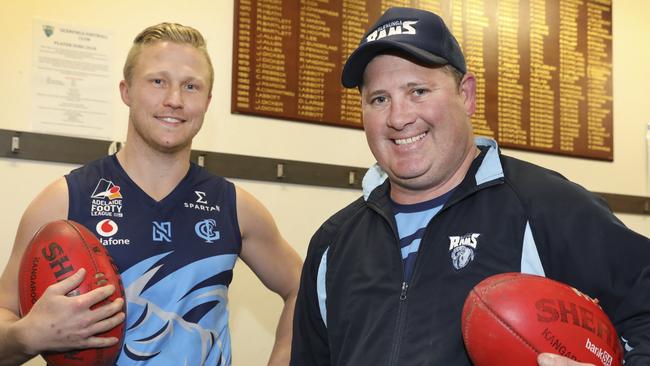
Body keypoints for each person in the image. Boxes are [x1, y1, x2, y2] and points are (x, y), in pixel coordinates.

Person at [291, 7, 650, 366]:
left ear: (466, 95)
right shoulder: (333, 243)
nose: (398, 118)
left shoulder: (545, 207)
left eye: (418, 91)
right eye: (379, 99)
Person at [0, 22, 302, 365]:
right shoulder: (63, 201)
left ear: (207, 101)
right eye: (157, 81)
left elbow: (302, 288)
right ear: (126, 90)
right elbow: (5, 315)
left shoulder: (235, 206)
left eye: (191, 86)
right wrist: (26, 335)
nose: (174, 100)